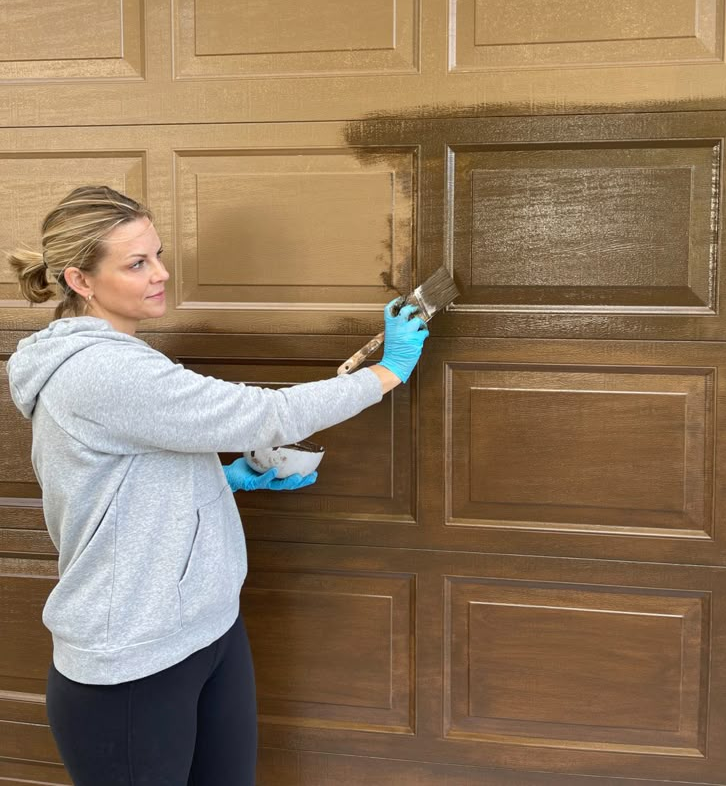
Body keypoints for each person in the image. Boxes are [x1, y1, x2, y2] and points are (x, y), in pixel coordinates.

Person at [5, 185, 428, 786]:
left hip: (205, 630)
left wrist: (221, 480)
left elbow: (128, 475)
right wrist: (387, 372)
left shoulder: (120, 357)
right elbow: (262, 415)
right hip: (133, 658)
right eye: (137, 263)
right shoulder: (100, 371)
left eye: (157, 254)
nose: (162, 274)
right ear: (80, 280)